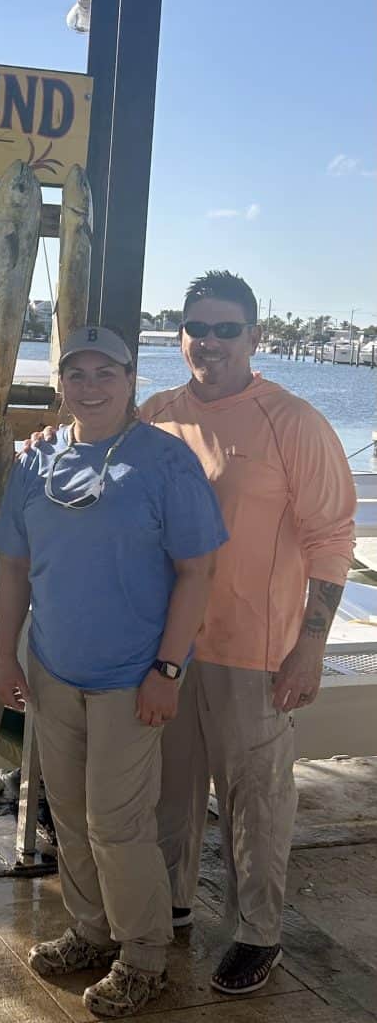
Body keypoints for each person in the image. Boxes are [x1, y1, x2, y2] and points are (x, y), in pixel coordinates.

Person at [0, 325, 228, 1018]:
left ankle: (144, 953)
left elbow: (196, 571)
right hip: (53, 668)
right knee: (64, 812)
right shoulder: (32, 464)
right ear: (58, 383)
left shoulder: (164, 462)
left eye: (107, 373)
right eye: (77, 374)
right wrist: (6, 654)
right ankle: (91, 930)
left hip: (131, 676)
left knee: (116, 824)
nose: (90, 387)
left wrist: (166, 668)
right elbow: (12, 566)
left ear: (130, 380)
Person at [139, 271, 356, 994]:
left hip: (255, 652)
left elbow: (329, 537)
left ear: (254, 337)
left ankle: (256, 931)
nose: (209, 341)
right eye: (196, 327)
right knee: (168, 791)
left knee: (253, 803)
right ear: (179, 336)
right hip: (168, 646)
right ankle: (168, 904)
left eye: (226, 328)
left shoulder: (291, 420)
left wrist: (311, 644)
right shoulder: (154, 414)